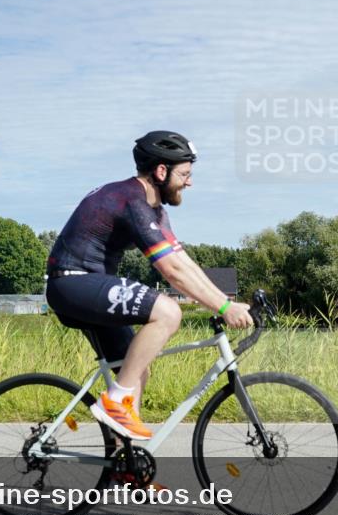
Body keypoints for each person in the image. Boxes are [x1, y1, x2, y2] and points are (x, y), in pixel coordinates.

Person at [45, 131, 253, 441]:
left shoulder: (153, 210)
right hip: (71, 284)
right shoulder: (133, 200)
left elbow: (184, 263)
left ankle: (126, 470)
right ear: (161, 171)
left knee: (137, 370)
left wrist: (226, 301)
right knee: (168, 313)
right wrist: (223, 307)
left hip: (88, 285)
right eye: (184, 174)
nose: (189, 182)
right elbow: (171, 271)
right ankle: (115, 402)